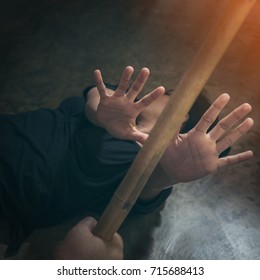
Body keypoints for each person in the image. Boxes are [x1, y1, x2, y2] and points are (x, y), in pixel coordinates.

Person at [0, 66, 254, 259]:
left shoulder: (148, 165)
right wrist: (106, 116)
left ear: (182, 113)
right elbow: (95, 103)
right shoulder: (117, 103)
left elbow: (147, 188)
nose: (157, 92)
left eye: (167, 93)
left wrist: (168, 176)